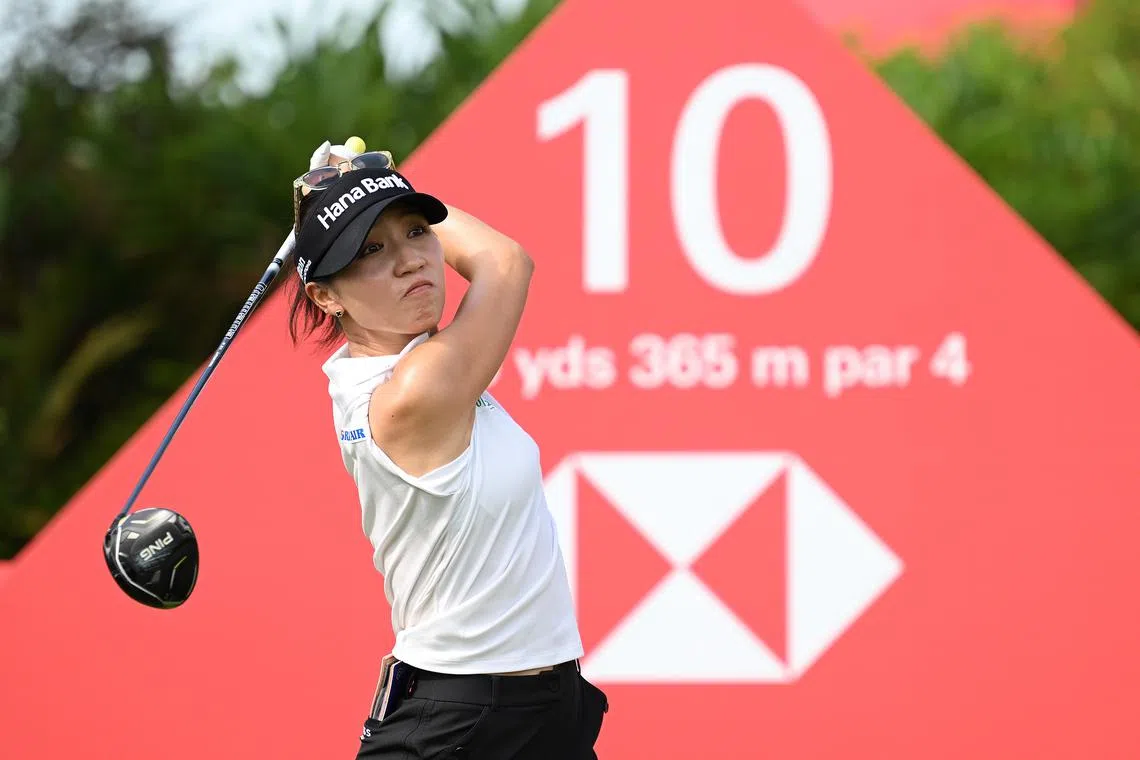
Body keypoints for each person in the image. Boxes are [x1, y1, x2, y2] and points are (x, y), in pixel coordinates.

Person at [284, 139, 608, 759]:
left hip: (547, 713)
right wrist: (375, 181)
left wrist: (365, 190)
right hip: (460, 722)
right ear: (327, 296)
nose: (413, 262)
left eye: (417, 233)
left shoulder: (394, 365)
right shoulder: (414, 389)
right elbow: (505, 261)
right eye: (372, 252)